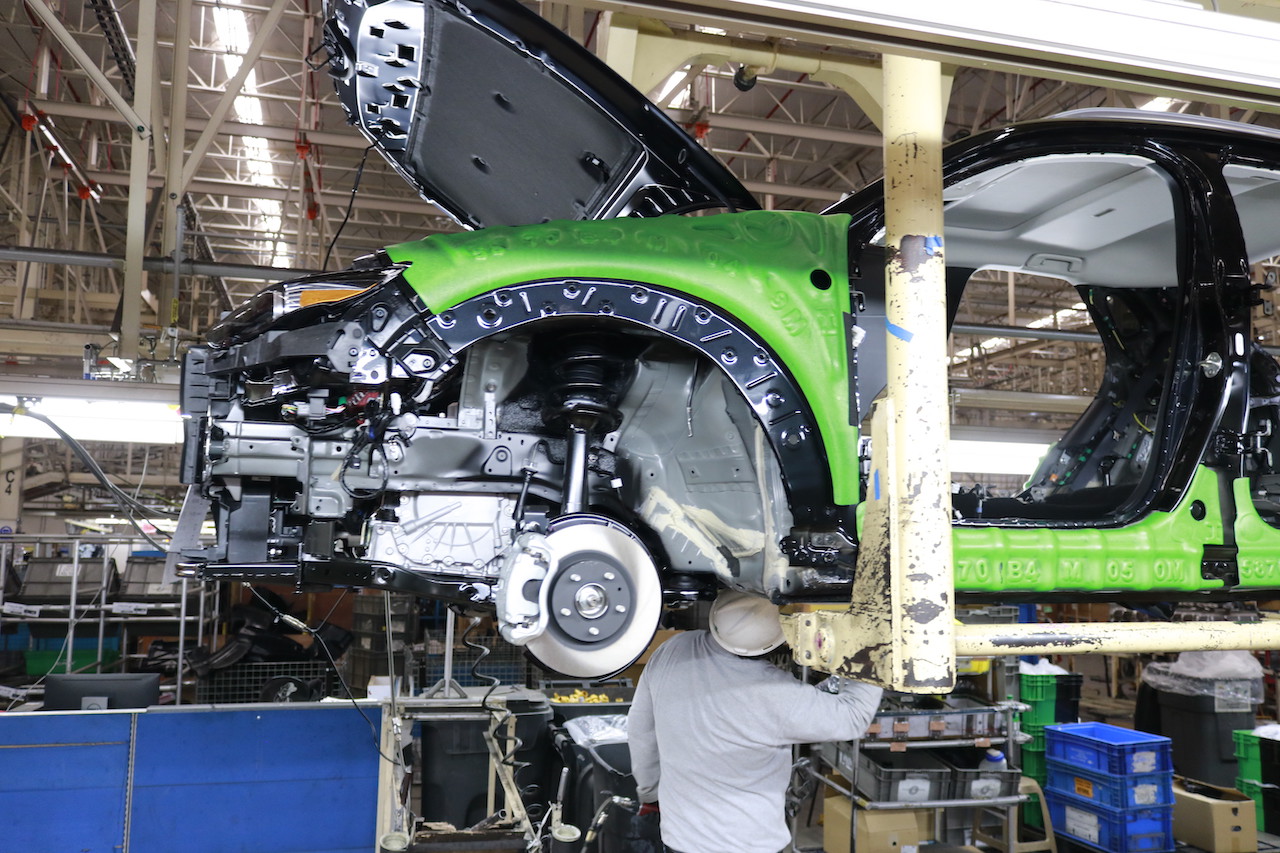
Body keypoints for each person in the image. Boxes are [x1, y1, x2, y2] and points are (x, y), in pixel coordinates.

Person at [628, 590, 884, 853]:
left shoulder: (673, 650)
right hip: (751, 843)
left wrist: (650, 794)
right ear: (775, 638)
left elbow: (640, 731)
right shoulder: (777, 694)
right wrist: (870, 643)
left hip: (680, 838)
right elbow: (853, 716)